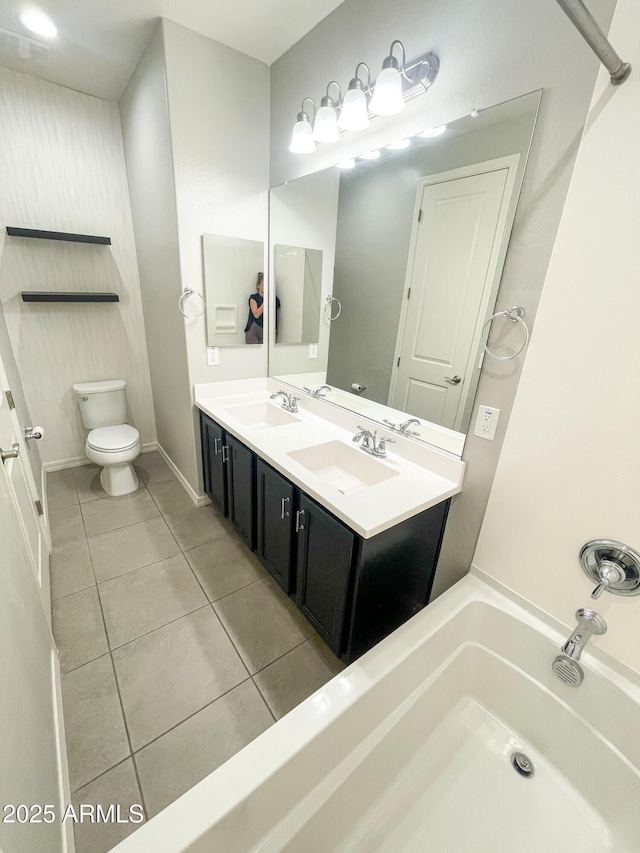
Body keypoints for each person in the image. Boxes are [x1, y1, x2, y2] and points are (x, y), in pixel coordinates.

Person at [244, 272, 264, 344]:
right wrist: (266, 302)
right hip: (253, 329)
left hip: (265, 330)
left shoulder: (274, 300)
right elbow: (256, 314)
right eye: (264, 284)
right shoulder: (254, 298)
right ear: (258, 285)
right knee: (253, 354)